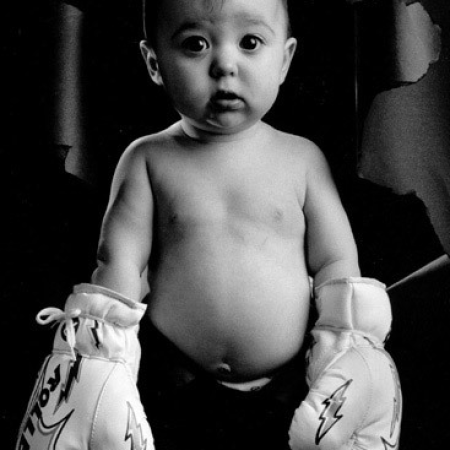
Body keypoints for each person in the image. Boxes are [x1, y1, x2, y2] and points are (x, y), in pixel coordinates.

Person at [16, 1, 401, 449]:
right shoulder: (147, 158)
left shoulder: (302, 159)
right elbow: (118, 261)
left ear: (285, 59)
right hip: (171, 382)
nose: (224, 65)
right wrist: (98, 356)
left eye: (250, 42)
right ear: (154, 63)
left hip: (289, 390)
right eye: (195, 44)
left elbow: (336, 261)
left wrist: (348, 346)